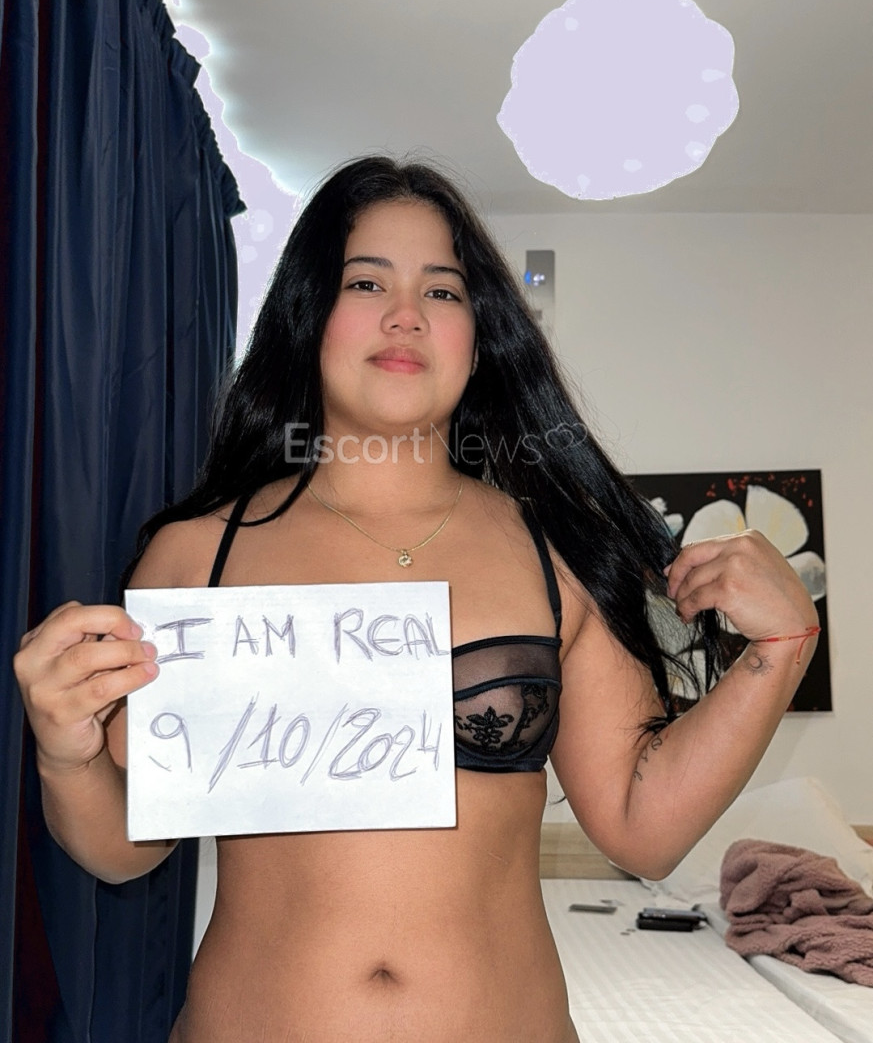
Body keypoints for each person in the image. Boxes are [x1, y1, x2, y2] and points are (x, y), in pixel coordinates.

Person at [15, 156, 819, 1043]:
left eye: (442, 291)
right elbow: (125, 851)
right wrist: (66, 756)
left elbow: (641, 829)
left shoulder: (550, 549)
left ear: (478, 338)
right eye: (366, 282)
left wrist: (780, 647)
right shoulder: (199, 552)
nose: (406, 314)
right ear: (307, 316)